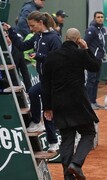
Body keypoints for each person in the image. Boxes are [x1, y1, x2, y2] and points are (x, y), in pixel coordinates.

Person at [43, 28, 101, 180]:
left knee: (67, 139)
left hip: (59, 104)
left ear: (65, 38)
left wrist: (47, 107)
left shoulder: (51, 56)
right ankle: (76, 164)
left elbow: (45, 84)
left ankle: (68, 177)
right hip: (78, 103)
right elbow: (95, 66)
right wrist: (86, 48)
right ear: (78, 39)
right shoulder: (80, 53)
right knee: (89, 133)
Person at [3, 11, 61, 152]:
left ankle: (53, 142)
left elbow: (58, 60)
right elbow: (22, 46)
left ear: (41, 23)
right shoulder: (37, 36)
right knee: (33, 93)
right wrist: (10, 30)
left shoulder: (54, 38)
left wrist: (39, 56)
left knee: (47, 110)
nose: (30, 28)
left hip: (52, 81)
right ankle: (36, 122)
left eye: (32, 25)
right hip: (44, 79)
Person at [84, 11, 106, 110]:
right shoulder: (91, 29)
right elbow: (85, 43)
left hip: (99, 59)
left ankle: (94, 101)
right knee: (91, 80)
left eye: (101, 17)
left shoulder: (102, 29)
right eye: (98, 17)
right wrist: (89, 56)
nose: (100, 19)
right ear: (94, 18)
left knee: (96, 81)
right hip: (92, 59)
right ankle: (88, 103)